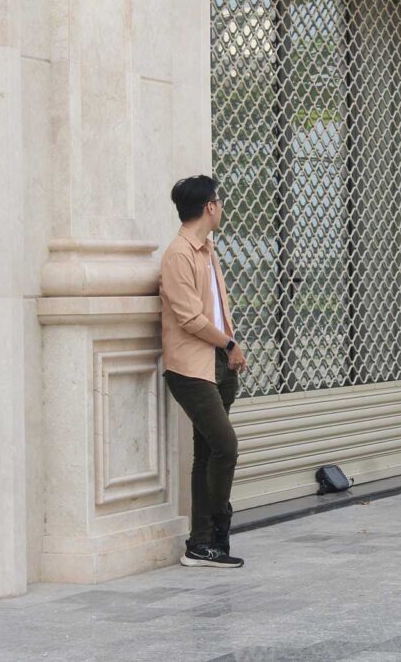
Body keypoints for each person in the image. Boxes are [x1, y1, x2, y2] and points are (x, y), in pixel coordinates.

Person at [160, 175, 248, 567]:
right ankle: (216, 529)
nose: (222, 207)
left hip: (217, 362)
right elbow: (189, 318)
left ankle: (202, 543)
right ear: (209, 206)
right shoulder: (178, 254)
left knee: (208, 451)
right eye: (220, 201)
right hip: (190, 367)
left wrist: (229, 348)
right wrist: (229, 344)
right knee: (225, 446)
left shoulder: (207, 250)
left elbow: (216, 311)